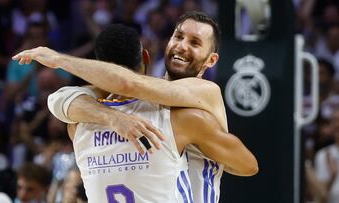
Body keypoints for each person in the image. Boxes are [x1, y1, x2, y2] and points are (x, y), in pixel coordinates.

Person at [13, 11, 258, 202]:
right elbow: (62, 98)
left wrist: (57, 59)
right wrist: (111, 117)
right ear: (150, 55)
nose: (182, 45)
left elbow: (122, 84)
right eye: (179, 36)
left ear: (211, 59)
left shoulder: (204, 92)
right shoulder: (157, 110)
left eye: (195, 42)